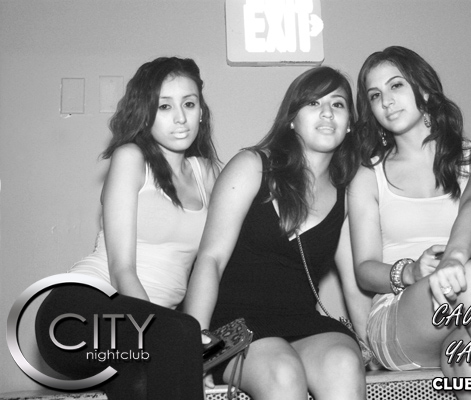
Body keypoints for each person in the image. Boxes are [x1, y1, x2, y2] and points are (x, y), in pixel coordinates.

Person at [349, 46, 471, 400]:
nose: (386, 101)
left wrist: (453, 260)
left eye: (396, 86)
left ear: (425, 89)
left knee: (470, 362)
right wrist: (411, 272)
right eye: (375, 95)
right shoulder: (368, 175)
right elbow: (364, 270)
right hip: (401, 324)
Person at [35, 57, 219, 400]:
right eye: (164, 106)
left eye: (189, 104)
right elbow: (122, 270)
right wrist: (172, 337)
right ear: (145, 113)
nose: (180, 118)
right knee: (180, 333)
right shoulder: (131, 158)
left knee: (142, 378)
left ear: (201, 112)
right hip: (79, 312)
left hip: (145, 334)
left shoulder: (207, 174)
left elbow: (215, 263)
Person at [184, 66, 369, 400]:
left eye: (338, 104)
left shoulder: (347, 190)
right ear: (292, 119)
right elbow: (210, 259)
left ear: (350, 123)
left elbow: (353, 282)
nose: (327, 112)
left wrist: (373, 347)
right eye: (313, 103)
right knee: (283, 372)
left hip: (301, 322)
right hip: (234, 325)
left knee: (344, 362)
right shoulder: (252, 166)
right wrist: (194, 350)